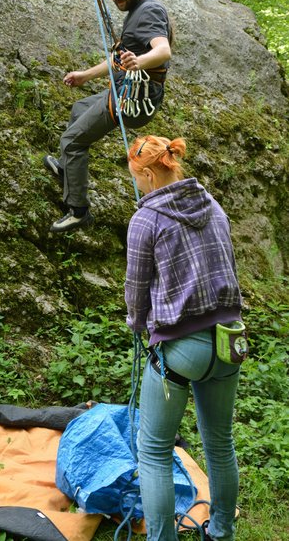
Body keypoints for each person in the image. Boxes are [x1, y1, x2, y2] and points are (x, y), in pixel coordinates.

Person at [125, 134, 243, 541]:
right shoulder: (212, 205)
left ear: (148, 174)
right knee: (220, 443)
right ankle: (222, 532)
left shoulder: (146, 219)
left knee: (154, 451)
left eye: (135, 178)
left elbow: (136, 288)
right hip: (228, 341)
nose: (137, 186)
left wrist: (138, 325)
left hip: (180, 347)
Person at [44, 0, 172, 233]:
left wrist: (140, 62)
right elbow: (118, 59)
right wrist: (85, 76)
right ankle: (68, 170)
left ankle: (78, 211)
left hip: (133, 100)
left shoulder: (149, 12)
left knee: (72, 141)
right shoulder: (138, 9)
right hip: (127, 91)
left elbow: (163, 50)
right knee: (80, 108)